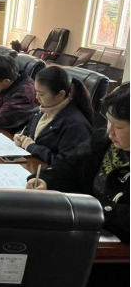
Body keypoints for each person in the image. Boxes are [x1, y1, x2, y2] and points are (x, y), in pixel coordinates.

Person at [27, 83, 130, 243]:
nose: (109, 130)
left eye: (119, 127)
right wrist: (46, 181)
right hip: (84, 226)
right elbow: (72, 165)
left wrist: (90, 206)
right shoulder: (104, 140)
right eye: (109, 121)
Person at [14, 67, 94, 165]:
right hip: (31, 164)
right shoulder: (44, 109)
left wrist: (32, 147)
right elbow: (29, 131)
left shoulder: (76, 125)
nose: (37, 97)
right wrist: (21, 136)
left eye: (41, 94)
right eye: (36, 92)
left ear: (61, 94)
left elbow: (65, 163)